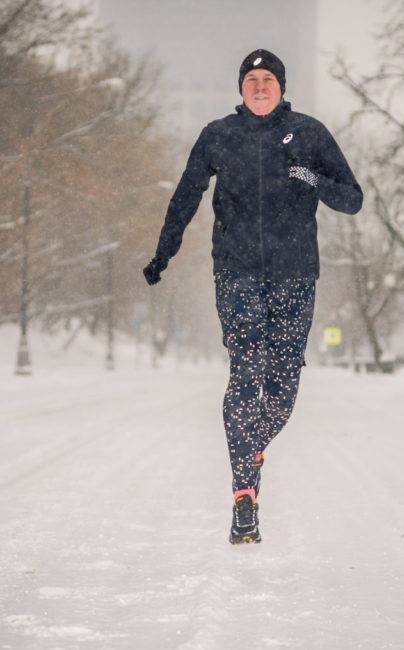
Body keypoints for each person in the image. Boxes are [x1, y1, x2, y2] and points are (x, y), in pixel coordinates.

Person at [142, 49, 362, 544]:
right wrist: (163, 254)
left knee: (282, 389)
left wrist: (310, 176)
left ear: (282, 87)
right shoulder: (218, 136)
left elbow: (352, 198)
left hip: (295, 275)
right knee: (246, 372)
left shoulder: (309, 133)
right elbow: (185, 198)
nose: (259, 86)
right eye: (251, 79)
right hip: (236, 274)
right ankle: (244, 492)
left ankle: (250, 447)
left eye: (268, 79)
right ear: (240, 88)